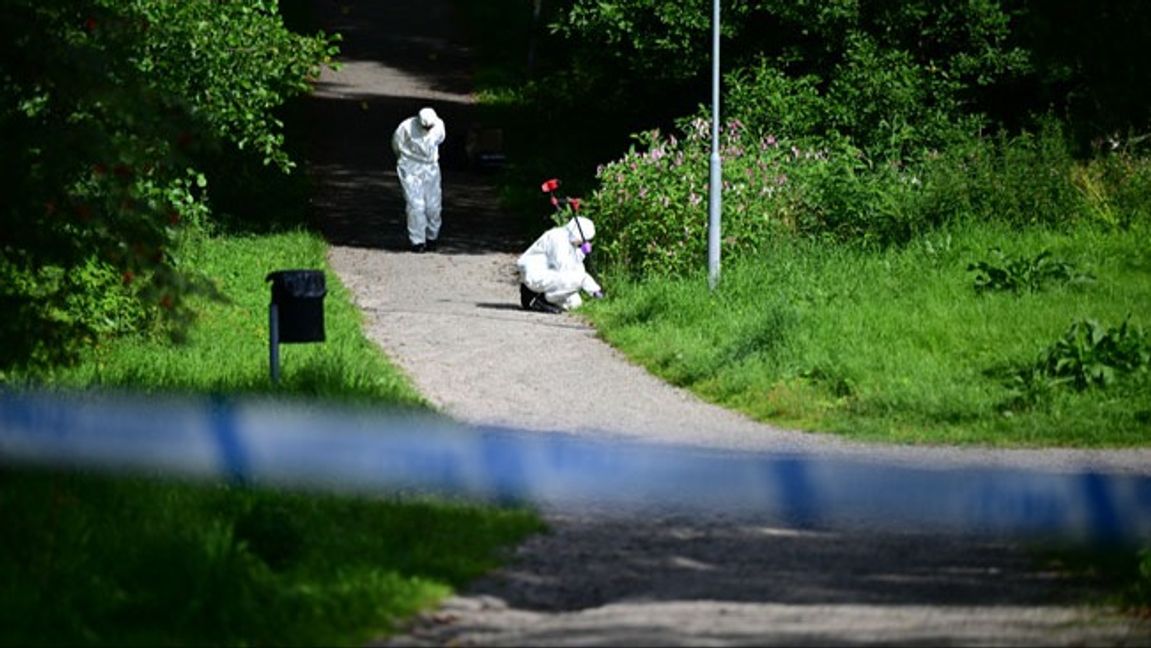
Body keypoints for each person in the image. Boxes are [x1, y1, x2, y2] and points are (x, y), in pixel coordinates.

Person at [517, 216, 604, 313]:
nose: (583, 242)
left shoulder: (569, 242)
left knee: (575, 303)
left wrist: (580, 253)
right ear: (579, 234)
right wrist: (594, 290)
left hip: (549, 274)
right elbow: (564, 268)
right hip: (535, 275)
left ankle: (541, 297)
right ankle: (538, 298)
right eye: (584, 239)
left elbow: (575, 265)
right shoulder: (558, 238)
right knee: (578, 279)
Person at [392, 107, 446, 252]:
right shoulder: (405, 127)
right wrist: (404, 162)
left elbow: (438, 141)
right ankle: (417, 241)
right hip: (410, 165)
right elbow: (396, 145)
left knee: (433, 205)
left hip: (430, 167)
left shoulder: (439, 126)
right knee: (415, 204)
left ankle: (432, 237)